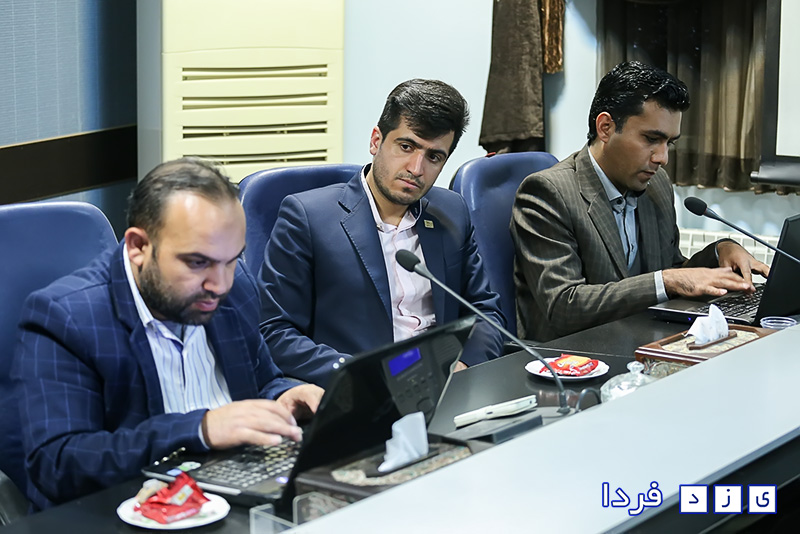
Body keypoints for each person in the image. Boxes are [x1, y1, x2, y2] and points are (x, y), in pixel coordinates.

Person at [12, 158, 324, 510]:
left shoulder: (236, 289)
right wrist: (200, 429)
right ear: (138, 247)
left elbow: (262, 381)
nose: (220, 284)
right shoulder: (66, 317)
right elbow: (59, 464)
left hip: (230, 492)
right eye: (197, 262)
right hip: (129, 509)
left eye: (232, 260)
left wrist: (286, 394)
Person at [258, 79, 505, 386]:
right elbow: (275, 332)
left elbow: (485, 311)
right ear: (376, 141)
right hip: (363, 391)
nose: (416, 168)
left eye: (434, 157)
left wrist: (464, 366)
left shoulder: (451, 212)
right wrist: (367, 375)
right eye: (406, 147)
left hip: (447, 387)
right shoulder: (307, 217)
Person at [511, 61, 769, 341]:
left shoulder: (657, 184)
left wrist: (719, 253)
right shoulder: (547, 193)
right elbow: (564, 306)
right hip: (571, 354)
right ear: (606, 128)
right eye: (651, 139)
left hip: (640, 342)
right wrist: (666, 280)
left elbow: (675, 271)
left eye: (669, 143)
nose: (662, 157)